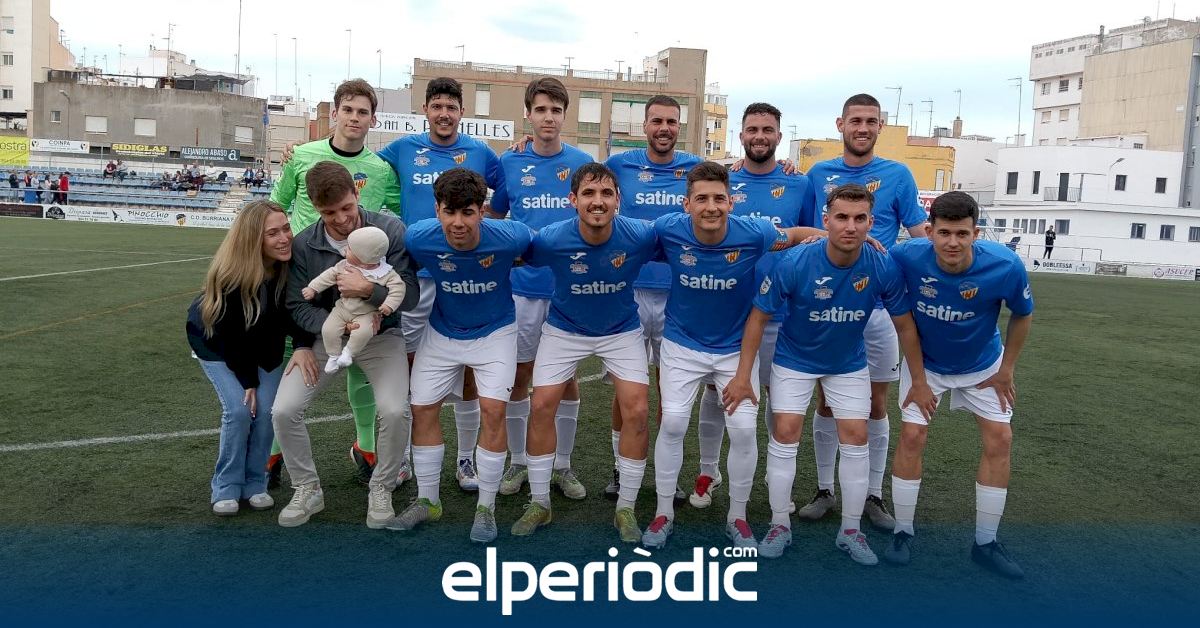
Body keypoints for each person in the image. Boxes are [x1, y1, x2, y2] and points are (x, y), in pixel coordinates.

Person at [723, 184, 935, 563]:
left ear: (871, 222)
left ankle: (850, 531)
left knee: (856, 436)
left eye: (859, 218)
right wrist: (743, 375)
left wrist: (918, 381)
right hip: (794, 359)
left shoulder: (881, 264)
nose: (850, 226)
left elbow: (904, 324)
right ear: (826, 220)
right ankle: (779, 524)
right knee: (785, 431)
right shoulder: (794, 262)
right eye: (842, 217)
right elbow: (758, 318)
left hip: (847, 363)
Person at [640, 162, 823, 549]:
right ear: (686, 204)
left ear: (731, 202)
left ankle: (737, 517)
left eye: (719, 199)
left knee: (742, 430)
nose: (711, 207)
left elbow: (795, 235)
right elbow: (625, 240)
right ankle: (663, 513)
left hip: (734, 349)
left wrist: (843, 238)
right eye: (702, 199)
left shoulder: (754, 232)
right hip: (682, 344)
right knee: (672, 423)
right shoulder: (668, 229)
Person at [883, 191, 1034, 579]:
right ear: (929, 231)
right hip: (926, 364)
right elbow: (876, 266)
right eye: (944, 233)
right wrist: (918, 381)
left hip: (984, 364)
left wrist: (1007, 370)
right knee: (912, 437)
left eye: (962, 234)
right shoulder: (906, 256)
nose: (952, 242)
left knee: (1000, 439)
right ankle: (902, 533)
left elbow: (1023, 314)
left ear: (976, 234)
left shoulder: (1005, 265)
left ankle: (986, 543)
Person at [797, 93, 931, 529]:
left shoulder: (898, 174)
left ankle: (873, 494)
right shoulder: (817, 174)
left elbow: (920, 233)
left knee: (875, 402)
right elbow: (806, 229)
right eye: (855, 120)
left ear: (880, 126)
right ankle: (824, 489)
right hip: (827, 305)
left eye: (871, 121)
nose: (863, 128)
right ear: (841, 125)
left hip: (878, 309)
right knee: (827, 400)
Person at [510, 162, 655, 543]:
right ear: (572, 200)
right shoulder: (551, 239)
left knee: (637, 410)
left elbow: (687, 239)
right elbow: (514, 251)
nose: (598, 201)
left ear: (618, 200)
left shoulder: (640, 235)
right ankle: (539, 502)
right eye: (589, 193)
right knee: (542, 405)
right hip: (565, 329)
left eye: (606, 193)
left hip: (620, 330)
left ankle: (625, 507)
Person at [269, 161, 419, 529]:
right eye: (329, 212)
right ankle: (307, 488)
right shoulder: (305, 244)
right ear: (315, 208)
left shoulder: (389, 231)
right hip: (326, 338)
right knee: (284, 410)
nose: (341, 219)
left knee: (395, 410)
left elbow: (411, 295)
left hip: (381, 336)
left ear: (357, 193)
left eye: (346, 207)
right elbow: (296, 304)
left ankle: (381, 487)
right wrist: (326, 330)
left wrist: (369, 290)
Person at [376, 77, 508, 493]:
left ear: (462, 112)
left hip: (465, 276)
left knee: (470, 366)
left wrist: (489, 225)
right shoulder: (402, 148)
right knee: (410, 364)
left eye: (451, 107)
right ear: (426, 110)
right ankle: (406, 457)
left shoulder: (481, 152)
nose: (444, 114)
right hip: (416, 274)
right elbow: (363, 168)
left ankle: (466, 459)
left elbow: (507, 190)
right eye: (437, 106)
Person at [271, 78, 404, 486]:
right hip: (305, 275)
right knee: (292, 357)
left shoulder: (381, 169)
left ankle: (366, 446)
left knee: (360, 368)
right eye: (347, 110)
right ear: (334, 113)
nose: (354, 118)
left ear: (373, 119)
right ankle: (272, 453)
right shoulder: (301, 156)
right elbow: (276, 205)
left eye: (363, 112)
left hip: (361, 283)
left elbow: (401, 211)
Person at [690, 102, 818, 510]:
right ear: (741, 135)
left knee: (776, 394)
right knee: (717, 391)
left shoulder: (800, 183)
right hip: (730, 308)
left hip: (783, 310)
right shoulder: (724, 182)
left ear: (779, 136)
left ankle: (772, 477)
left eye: (767, 130)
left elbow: (813, 238)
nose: (759, 136)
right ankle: (708, 471)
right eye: (752, 130)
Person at [392, 168, 531, 544]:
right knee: (422, 408)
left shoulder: (512, 236)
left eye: (467, 212)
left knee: (494, 410)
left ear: (482, 211)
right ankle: (428, 501)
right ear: (436, 210)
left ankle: (486, 508)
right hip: (442, 332)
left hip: (495, 332)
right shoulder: (419, 237)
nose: (458, 222)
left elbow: (540, 251)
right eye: (449, 212)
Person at [487, 77, 594, 500]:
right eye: (541, 110)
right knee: (520, 373)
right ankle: (518, 462)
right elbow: (496, 215)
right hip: (522, 289)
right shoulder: (509, 160)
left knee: (566, 378)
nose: (549, 117)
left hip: (569, 288)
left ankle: (562, 466)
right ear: (528, 114)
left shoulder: (582, 161)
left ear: (565, 116)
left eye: (556, 110)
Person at [602, 95, 703, 503]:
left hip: (679, 291)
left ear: (680, 127)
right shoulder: (618, 165)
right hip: (629, 288)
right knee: (625, 388)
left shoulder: (696, 168)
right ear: (644, 126)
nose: (664, 128)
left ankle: (666, 473)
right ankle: (618, 467)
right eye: (657, 121)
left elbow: (736, 185)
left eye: (671, 122)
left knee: (669, 388)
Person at [185, 200, 297, 516]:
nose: (284, 238)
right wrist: (248, 381)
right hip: (218, 345)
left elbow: (292, 318)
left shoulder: (289, 267)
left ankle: (255, 483)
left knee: (267, 412)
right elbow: (231, 335)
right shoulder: (232, 275)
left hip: (263, 349)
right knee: (239, 410)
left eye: (286, 228)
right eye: (272, 233)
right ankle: (226, 486)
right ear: (253, 240)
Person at [303, 226, 406, 373]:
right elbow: (328, 276)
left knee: (363, 332)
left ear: (364, 258)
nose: (345, 250)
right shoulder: (344, 265)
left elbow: (398, 288)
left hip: (367, 313)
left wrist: (389, 305)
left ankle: (349, 353)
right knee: (328, 329)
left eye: (350, 249)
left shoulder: (386, 273)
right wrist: (313, 288)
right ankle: (333, 356)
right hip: (342, 308)